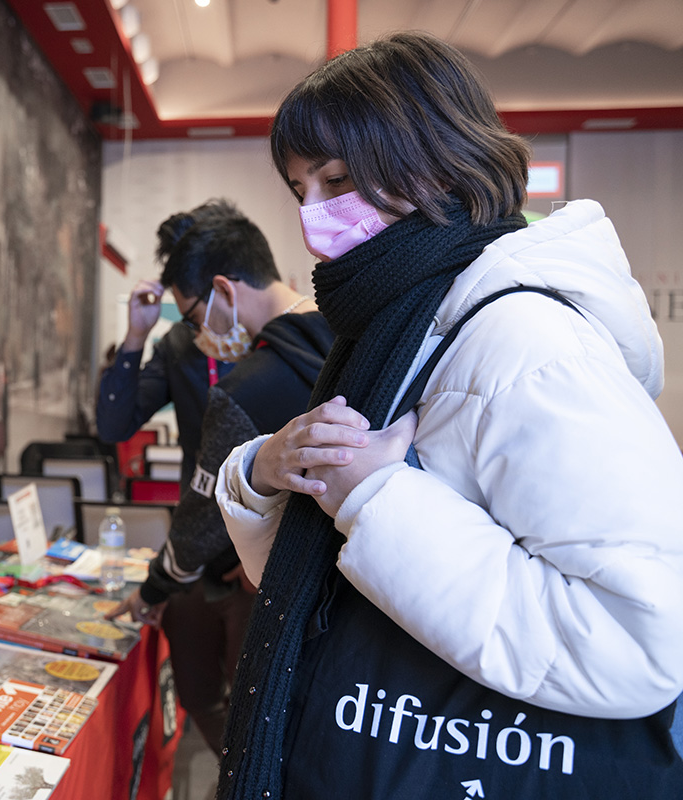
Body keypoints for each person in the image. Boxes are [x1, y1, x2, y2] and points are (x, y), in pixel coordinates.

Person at [213, 32, 683, 798]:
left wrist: (376, 497)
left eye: (337, 179)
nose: (313, 218)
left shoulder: (526, 339)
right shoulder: (398, 323)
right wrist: (264, 474)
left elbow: (646, 635)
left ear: (435, 160)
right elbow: (333, 586)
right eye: (300, 190)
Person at [107, 199, 333, 756]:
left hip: (266, 575)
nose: (196, 333)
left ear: (224, 290)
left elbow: (205, 513)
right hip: (312, 582)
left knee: (256, 722)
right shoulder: (338, 337)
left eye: (192, 317)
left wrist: (156, 585)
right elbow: (114, 422)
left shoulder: (251, 382)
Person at [95, 206, 237, 496]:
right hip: (198, 510)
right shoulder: (178, 343)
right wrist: (135, 337)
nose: (198, 329)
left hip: (268, 512)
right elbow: (113, 427)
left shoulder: (272, 335)